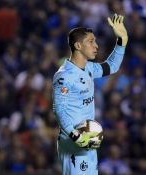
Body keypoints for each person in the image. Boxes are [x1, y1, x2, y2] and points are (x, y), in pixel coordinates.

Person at [53, 14, 128, 175]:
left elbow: (112, 66)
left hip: (87, 138)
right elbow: (59, 109)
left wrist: (121, 41)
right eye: (91, 41)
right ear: (78, 46)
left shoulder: (89, 68)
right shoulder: (64, 76)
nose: (96, 46)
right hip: (73, 140)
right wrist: (75, 135)